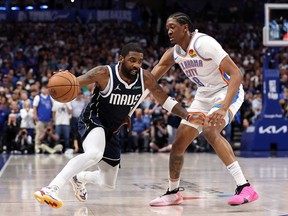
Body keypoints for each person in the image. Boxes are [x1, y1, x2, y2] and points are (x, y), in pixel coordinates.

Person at [34, 42, 197, 209]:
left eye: (140, 61)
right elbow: (74, 83)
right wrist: (61, 80)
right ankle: (51, 188)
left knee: (108, 183)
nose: (136, 65)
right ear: (121, 59)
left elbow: (166, 101)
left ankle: (80, 178)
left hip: (113, 129)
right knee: (95, 153)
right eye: (132, 60)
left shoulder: (145, 78)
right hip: (94, 118)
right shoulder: (104, 73)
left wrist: (188, 115)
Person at [149, 12, 259, 206]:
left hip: (226, 91)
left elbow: (236, 74)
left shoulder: (204, 43)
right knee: (178, 144)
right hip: (203, 96)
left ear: (185, 27)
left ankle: (245, 187)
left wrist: (224, 107)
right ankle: (173, 192)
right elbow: (149, 81)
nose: (169, 31)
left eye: (172, 27)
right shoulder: (174, 53)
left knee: (210, 129)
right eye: (167, 28)